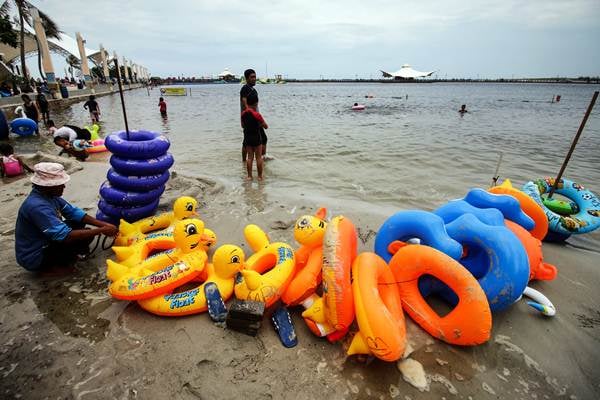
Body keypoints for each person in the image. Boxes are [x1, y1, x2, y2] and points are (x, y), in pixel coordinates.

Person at [14, 162, 118, 273]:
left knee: (79, 225)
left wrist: (103, 224)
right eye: (60, 184)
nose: (63, 186)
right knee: (83, 235)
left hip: (45, 239)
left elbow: (73, 213)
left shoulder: (50, 196)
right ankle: (55, 267)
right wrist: (101, 230)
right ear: (48, 186)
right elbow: (65, 236)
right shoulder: (37, 206)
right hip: (35, 255)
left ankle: (74, 255)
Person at [241, 95, 268, 181]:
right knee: (258, 158)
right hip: (256, 137)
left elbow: (243, 125)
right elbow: (266, 126)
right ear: (256, 104)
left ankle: (249, 176)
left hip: (248, 137)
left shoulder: (243, 114)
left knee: (249, 158)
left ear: (247, 103)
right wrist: (259, 124)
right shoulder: (257, 115)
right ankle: (259, 177)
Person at [240, 69, 258, 162]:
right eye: (252, 77)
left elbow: (255, 106)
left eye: (255, 77)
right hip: (248, 118)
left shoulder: (253, 90)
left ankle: (260, 157)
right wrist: (246, 116)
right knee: (246, 142)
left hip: (255, 118)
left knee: (262, 139)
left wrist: (258, 117)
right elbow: (244, 102)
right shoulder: (245, 88)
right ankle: (244, 161)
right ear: (246, 78)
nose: (254, 79)